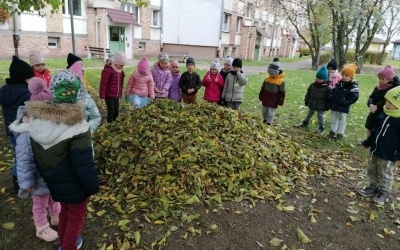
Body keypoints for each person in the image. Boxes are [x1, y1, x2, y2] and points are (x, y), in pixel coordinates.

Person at [27, 69, 100, 250]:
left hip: (54, 181)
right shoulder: (79, 127)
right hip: (75, 184)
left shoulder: (38, 120)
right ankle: (68, 245)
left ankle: (63, 239)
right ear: (76, 97)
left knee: (65, 210)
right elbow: (83, 164)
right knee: (76, 217)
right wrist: (92, 187)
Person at [9, 77, 60, 242]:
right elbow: (24, 160)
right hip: (37, 178)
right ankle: (41, 227)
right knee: (40, 203)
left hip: (51, 174)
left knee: (54, 196)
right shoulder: (27, 133)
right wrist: (27, 183)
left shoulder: (49, 126)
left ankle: (56, 216)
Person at [359, 86, 400, 205]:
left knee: (385, 172)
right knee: (372, 169)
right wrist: (367, 142)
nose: (386, 103)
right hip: (375, 149)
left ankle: (384, 191)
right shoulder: (383, 115)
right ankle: (373, 186)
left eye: (390, 102)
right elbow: (375, 130)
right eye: (386, 100)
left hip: (388, 154)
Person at [0, 56, 34, 193]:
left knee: (18, 154)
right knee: (24, 156)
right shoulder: (26, 92)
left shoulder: (4, 91)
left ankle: (17, 181)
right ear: (23, 78)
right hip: (24, 130)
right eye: (29, 78)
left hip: (11, 130)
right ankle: (22, 182)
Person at [359, 65, 399, 144]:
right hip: (373, 110)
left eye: (382, 79)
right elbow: (372, 96)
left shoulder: (392, 89)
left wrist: (377, 105)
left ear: (389, 79)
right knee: (370, 126)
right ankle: (367, 141)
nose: (380, 80)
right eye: (379, 78)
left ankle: (376, 142)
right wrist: (370, 104)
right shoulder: (377, 87)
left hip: (383, 111)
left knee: (378, 127)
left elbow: (387, 101)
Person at [66, 53, 101, 133]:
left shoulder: (86, 99)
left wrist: (88, 88)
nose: (82, 68)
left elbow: (95, 117)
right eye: (80, 65)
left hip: (84, 132)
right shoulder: (67, 80)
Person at [297, 65, 333, 134]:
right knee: (309, 113)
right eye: (317, 78)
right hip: (312, 103)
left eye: (321, 79)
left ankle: (321, 127)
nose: (318, 80)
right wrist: (306, 100)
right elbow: (308, 93)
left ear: (325, 79)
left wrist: (327, 106)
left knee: (320, 116)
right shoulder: (313, 85)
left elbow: (329, 98)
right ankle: (305, 122)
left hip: (321, 106)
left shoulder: (328, 88)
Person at [329, 63, 359, 140]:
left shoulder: (353, 86)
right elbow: (334, 91)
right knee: (333, 119)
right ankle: (332, 131)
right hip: (335, 105)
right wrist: (331, 98)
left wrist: (345, 102)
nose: (344, 77)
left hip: (343, 107)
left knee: (342, 120)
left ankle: (340, 134)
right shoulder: (339, 83)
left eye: (347, 76)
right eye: (343, 75)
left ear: (351, 77)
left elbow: (354, 97)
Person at [99, 51, 127, 122]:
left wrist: (120, 93)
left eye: (123, 65)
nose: (121, 67)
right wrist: (102, 96)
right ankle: (110, 124)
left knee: (116, 111)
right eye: (120, 65)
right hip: (109, 95)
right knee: (111, 111)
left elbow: (120, 84)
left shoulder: (120, 71)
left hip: (116, 95)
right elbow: (103, 84)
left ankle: (115, 123)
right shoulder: (108, 70)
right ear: (115, 62)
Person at [258, 57, 285, 124]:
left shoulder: (281, 81)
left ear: (276, 72)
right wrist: (261, 96)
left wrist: (280, 101)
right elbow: (263, 88)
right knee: (264, 111)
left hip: (273, 100)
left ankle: (269, 123)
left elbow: (282, 92)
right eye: (270, 73)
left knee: (270, 113)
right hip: (266, 98)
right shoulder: (267, 79)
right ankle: (265, 119)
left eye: (272, 73)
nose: (270, 75)